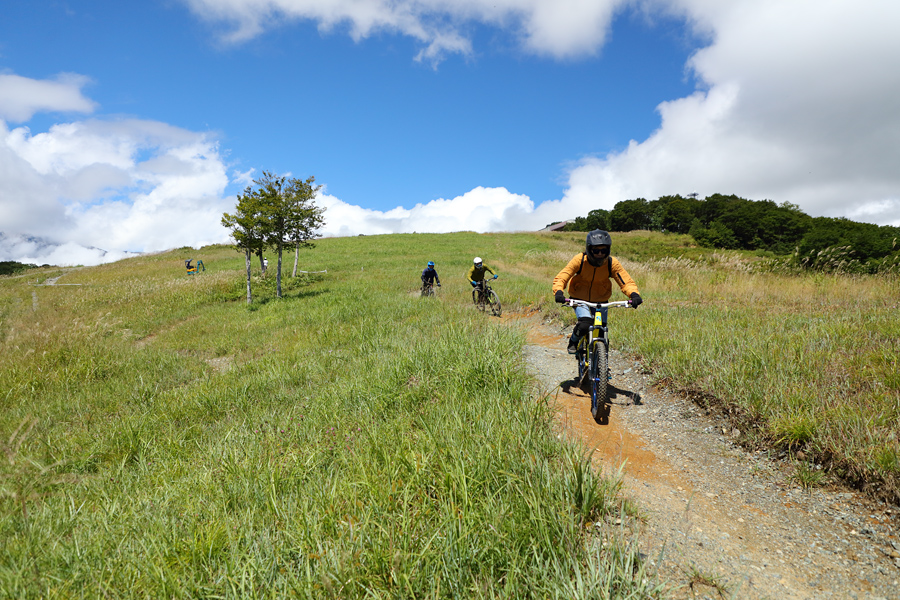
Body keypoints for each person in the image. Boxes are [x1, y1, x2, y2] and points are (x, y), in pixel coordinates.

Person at [552, 230, 643, 354]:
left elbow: (625, 280)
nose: (600, 253)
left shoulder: (611, 263)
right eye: (596, 250)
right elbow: (563, 276)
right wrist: (558, 292)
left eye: (603, 250)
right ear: (589, 249)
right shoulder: (579, 260)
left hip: (601, 300)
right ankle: (573, 340)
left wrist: (634, 294)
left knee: (601, 331)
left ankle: (601, 363)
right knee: (585, 324)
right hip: (579, 299)